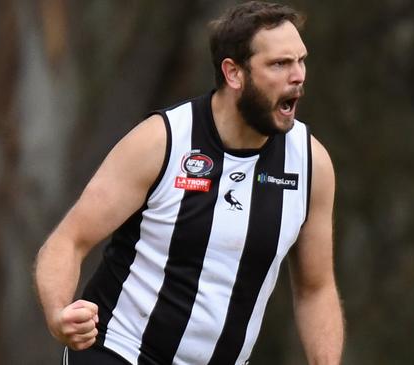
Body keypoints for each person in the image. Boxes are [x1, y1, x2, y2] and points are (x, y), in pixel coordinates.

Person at [34, 2, 344, 364]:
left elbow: (316, 289)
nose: (298, 76)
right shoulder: (163, 141)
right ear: (234, 73)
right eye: (279, 64)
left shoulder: (310, 164)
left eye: (300, 61)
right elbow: (67, 241)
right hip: (120, 351)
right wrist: (59, 315)